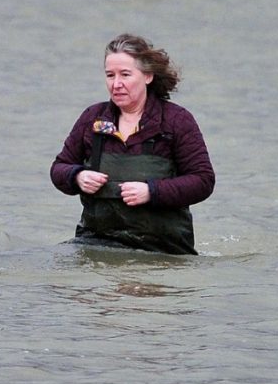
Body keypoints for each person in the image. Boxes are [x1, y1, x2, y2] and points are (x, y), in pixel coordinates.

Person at [50, 34, 215, 255]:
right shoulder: (93, 118)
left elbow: (203, 180)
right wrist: (77, 176)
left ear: (147, 75)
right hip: (96, 242)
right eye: (110, 75)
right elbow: (59, 168)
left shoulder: (177, 120)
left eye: (125, 75)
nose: (116, 84)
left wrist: (152, 191)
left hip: (162, 249)